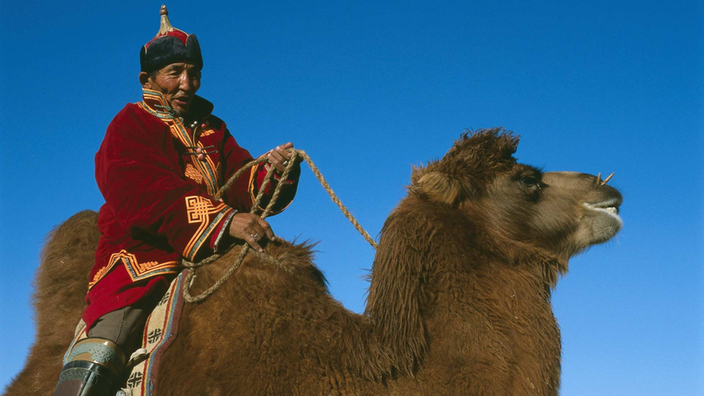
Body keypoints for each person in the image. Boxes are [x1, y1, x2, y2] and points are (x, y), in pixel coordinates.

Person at [53, 6, 301, 395]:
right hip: (143, 256)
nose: (188, 83)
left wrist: (272, 171)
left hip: (215, 246)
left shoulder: (214, 130)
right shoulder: (129, 124)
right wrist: (222, 221)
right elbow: (143, 191)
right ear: (147, 78)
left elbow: (240, 181)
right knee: (109, 340)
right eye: (176, 73)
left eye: (195, 73)